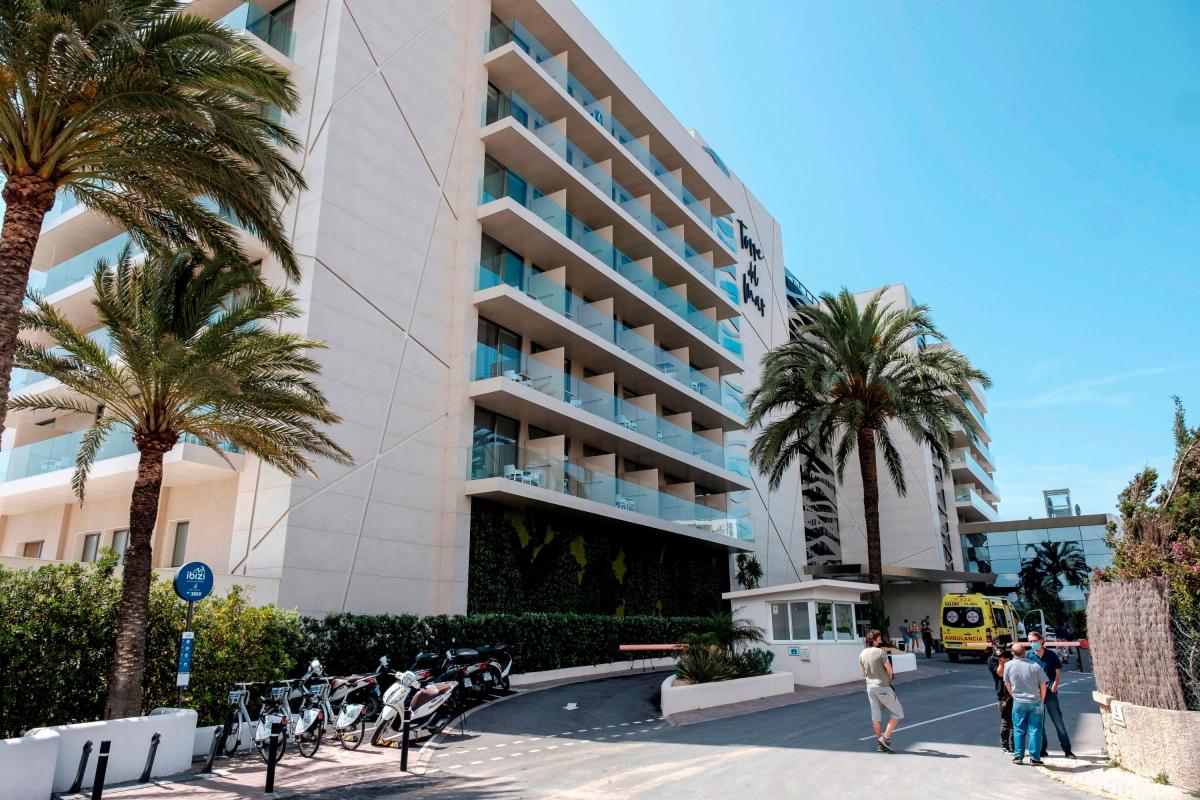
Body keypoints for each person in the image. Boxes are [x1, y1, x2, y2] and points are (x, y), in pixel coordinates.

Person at [1029, 631, 1076, 758]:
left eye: (1035, 641)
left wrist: (1055, 684)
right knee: (1039, 723)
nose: (1033, 643)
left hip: (1050, 692)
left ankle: (1067, 750)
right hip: (1036, 694)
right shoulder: (1028, 656)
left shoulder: (1051, 655)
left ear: (1041, 640)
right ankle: (1042, 749)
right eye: (1030, 641)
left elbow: (1057, 673)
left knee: (1058, 721)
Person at [860, 629, 905, 753]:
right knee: (898, 713)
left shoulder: (862, 653)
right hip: (883, 687)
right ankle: (885, 737)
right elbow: (890, 670)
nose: (880, 641)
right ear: (874, 640)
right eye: (879, 639)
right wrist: (889, 677)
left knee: (876, 716)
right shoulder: (880, 652)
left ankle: (880, 745)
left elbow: (863, 674)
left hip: (870, 688)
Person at [1004, 642, 1047, 766]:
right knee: (1035, 730)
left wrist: (1014, 695)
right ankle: (1034, 758)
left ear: (1013, 653)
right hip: (1035, 701)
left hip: (1019, 701)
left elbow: (1007, 683)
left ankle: (1018, 756)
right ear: (1025, 652)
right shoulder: (1035, 666)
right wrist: (1042, 699)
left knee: (1019, 729)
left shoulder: (1008, 665)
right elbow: (1043, 685)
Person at [986, 641, 1013, 752]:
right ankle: (1005, 745)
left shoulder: (1012, 655)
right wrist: (1002, 661)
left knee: (1017, 722)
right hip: (1004, 694)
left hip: (1017, 692)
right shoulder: (992, 659)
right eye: (997, 645)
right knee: (1006, 721)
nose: (999, 649)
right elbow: (1000, 674)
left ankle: (1016, 746)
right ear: (993, 646)